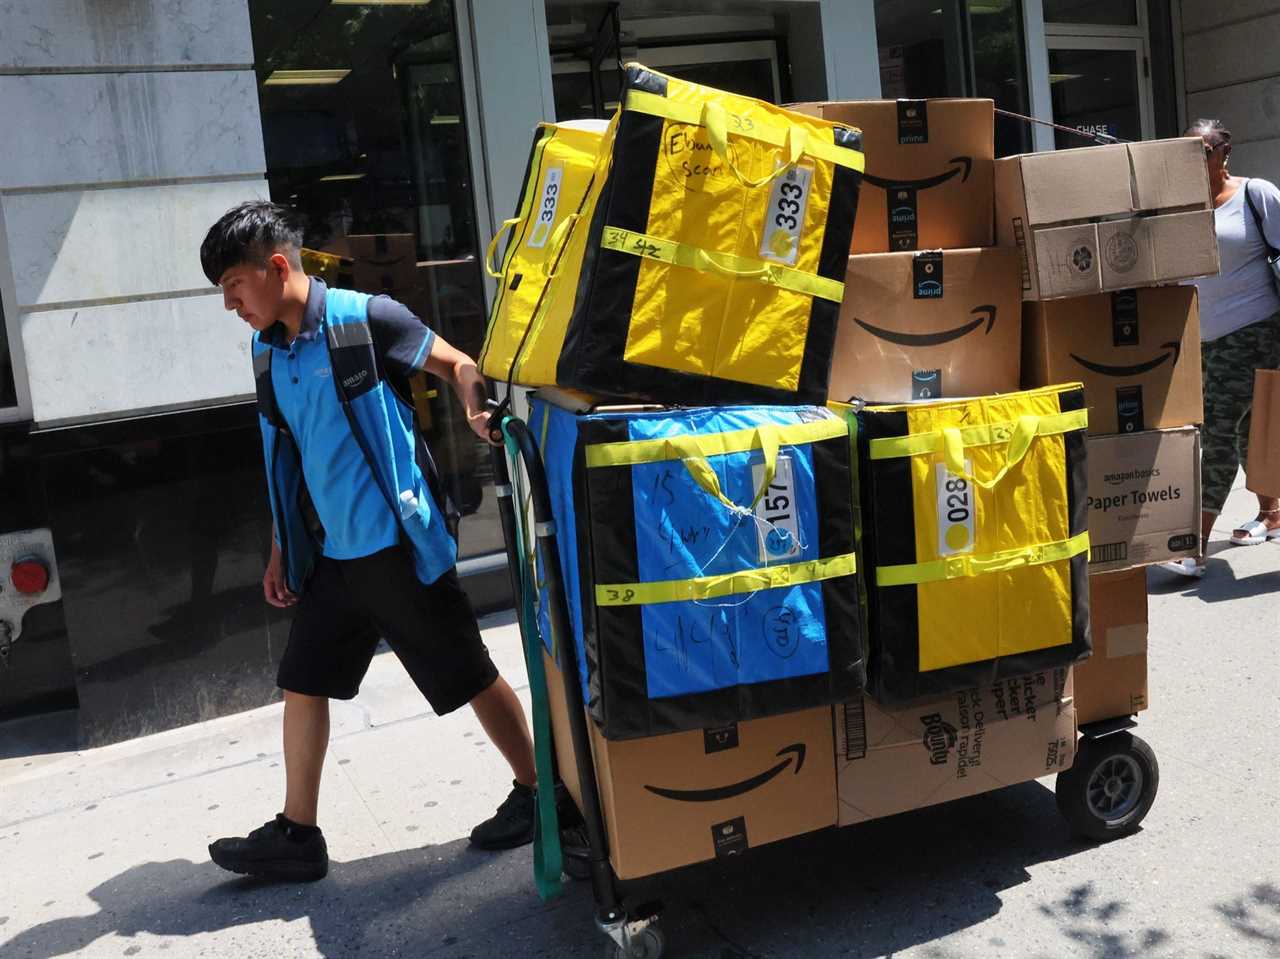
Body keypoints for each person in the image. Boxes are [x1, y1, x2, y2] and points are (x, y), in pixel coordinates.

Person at [199, 201, 540, 880]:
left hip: (397, 547)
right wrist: (280, 547)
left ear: (273, 268)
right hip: (334, 558)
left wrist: (475, 405)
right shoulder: (268, 351)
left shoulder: (366, 318)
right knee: (303, 679)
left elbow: (456, 362)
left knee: (468, 670)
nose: (231, 305)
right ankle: (298, 833)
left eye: (235, 288)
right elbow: (286, 455)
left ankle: (542, 792)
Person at [1164, 120, 1280, 578]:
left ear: (1223, 151)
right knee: (1250, 427)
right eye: (1184, 153)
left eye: (1201, 151)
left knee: (1215, 430)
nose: (1193, 162)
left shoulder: (1257, 195)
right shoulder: (1183, 208)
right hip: (1207, 337)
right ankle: (1271, 513)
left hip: (1255, 331)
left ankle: (1194, 546)